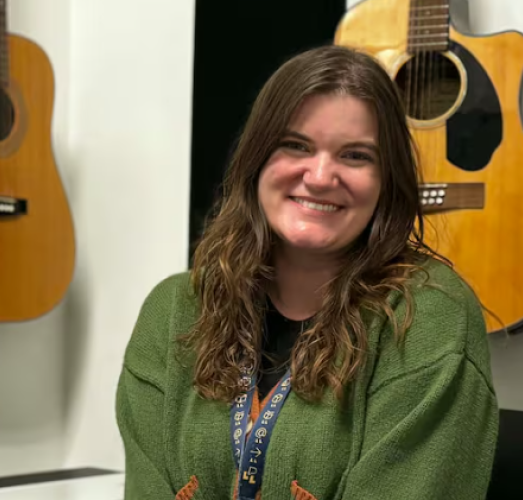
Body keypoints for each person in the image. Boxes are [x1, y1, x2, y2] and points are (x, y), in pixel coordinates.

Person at [115, 44, 499, 500]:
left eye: (355, 156)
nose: (319, 176)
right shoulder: (176, 308)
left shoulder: (428, 317)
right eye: (296, 145)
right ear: (257, 158)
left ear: (386, 178)